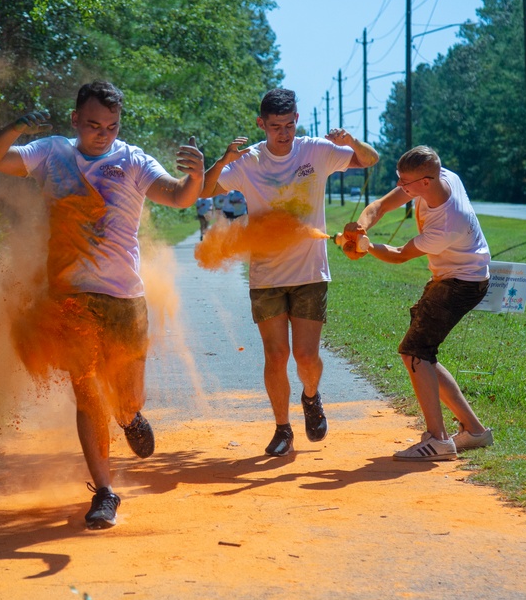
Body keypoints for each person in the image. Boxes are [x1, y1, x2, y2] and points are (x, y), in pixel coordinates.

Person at [0, 80, 204, 529]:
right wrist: (20, 125)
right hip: (70, 298)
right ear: (76, 120)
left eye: (113, 126)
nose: (103, 134)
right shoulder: (51, 152)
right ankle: (105, 490)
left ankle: (130, 415)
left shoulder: (133, 161)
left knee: (125, 398)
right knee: (86, 393)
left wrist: (196, 175)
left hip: (125, 297)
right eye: (95, 125)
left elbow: (179, 197)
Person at [202, 88, 378, 457]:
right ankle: (283, 428)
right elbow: (203, 192)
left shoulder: (316, 149)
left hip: (310, 271)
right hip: (266, 275)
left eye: (288, 125)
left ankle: (311, 398)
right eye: (275, 126)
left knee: (307, 358)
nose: (283, 133)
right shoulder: (247, 162)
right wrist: (222, 160)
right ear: (260, 124)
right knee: (276, 356)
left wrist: (350, 140)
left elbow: (370, 160)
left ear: (297, 119)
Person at [341, 145, 493, 461]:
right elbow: (381, 205)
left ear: (425, 181)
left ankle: (438, 440)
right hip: (453, 278)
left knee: (415, 353)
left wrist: (366, 248)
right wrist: (361, 228)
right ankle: (475, 431)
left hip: (462, 283)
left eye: (406, 182)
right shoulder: (439, 178)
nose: (401, 187)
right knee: (421, 355)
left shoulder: (448, 221)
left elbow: (399, 255)